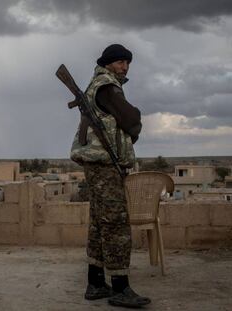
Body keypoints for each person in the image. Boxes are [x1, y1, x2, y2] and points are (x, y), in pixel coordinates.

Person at [70, 44, 150, 308]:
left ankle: (95, 283)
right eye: (119, 62)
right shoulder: (107, 86)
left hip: (98, 164)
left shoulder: (97, 84)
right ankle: (120, 287)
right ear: (108, 64)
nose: (124, 67)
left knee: (99, 223)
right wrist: (136, 122)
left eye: (127, 62)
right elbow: (130, 118)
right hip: (104, 165)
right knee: (116, 224)